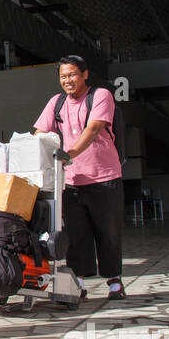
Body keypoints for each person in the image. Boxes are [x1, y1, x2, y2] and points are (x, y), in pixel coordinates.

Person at [34, 54, 125, 300]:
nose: (68, 80)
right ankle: (79, 283)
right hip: (71, 181)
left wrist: (69, 152)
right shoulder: (56, 102)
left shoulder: (101, 95)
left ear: (85, 74)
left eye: (73, 74)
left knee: (107, 232)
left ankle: (114, 281)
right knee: (75, 235)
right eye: (63, 76)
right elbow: (39, 133)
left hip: (103, 177)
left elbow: (94, 128)